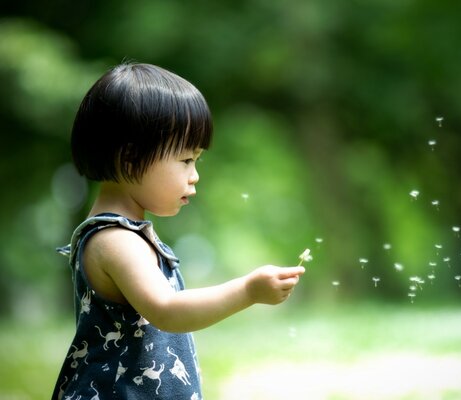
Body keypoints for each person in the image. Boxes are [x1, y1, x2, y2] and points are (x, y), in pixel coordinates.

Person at [52, 62, 305, 400]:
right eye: (186, 160)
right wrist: (248, 291)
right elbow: (166, 310)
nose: (195, 174)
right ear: (130, 159)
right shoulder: (115, 241)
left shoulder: (126, 235)